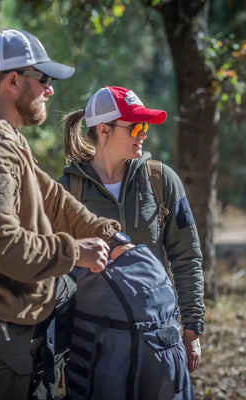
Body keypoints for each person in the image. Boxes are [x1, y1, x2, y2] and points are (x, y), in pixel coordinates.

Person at [0, 30, 127, 400]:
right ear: (13, 81)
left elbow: (52, 198)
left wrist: (107, 233)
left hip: (6, 304)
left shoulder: (6, 136)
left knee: (80, 293)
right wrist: (74, 252)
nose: (49, 90)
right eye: (44, 80)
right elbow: (0, 246)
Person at [58, 86, 205, 375]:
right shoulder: (66, 191)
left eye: (145, 126)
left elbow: (187, 257)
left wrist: (191, 330)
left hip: (157, 334)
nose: (144, 134)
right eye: (136, 126)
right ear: (104, 129)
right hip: (91, 340)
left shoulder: (161, 180)